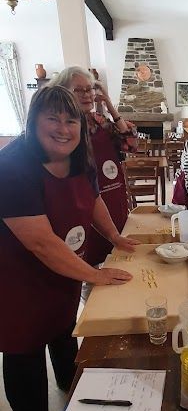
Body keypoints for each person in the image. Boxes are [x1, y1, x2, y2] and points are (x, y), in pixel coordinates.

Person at [0, 85, 138, 411]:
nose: (63, 128)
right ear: (32, 122)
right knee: (25, 347)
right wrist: (94, 274)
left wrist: (115, 237)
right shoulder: (12, 167)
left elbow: (93, 200)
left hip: (64, 272)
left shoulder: (79, 156)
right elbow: (41, 243)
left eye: (70, 119)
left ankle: (69, 381)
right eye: (53, 119)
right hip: (19, 280)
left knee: (63, 328)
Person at [46, 67, 138, 265]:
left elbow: (130, 144)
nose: (87, 94)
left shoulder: (99, 121)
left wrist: (109, 104)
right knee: (86, 257)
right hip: (84, 203)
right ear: (63, 92)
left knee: (117, 252)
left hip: (111, 197)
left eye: (90, 89)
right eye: (79, 90)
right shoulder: (61, 134)